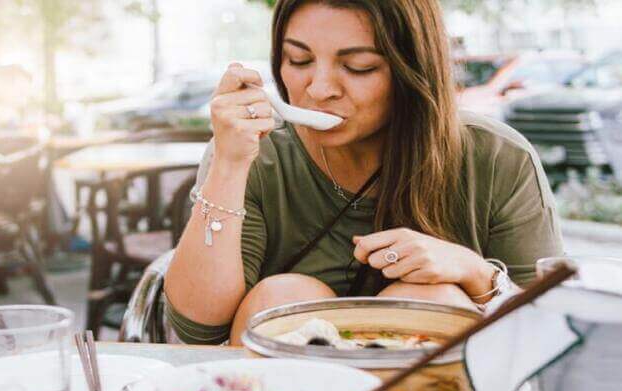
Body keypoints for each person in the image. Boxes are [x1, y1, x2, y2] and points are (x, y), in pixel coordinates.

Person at [163, 0, 563, 346]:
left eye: (358, 66)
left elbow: (549, 331)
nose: (319, 89)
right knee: (282, 295)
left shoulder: (497, 158)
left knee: (435, 300)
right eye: (298, 60)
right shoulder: (254, 150)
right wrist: (229, 166)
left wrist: (475, 273)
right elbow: (198, 326)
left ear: (412, 70)